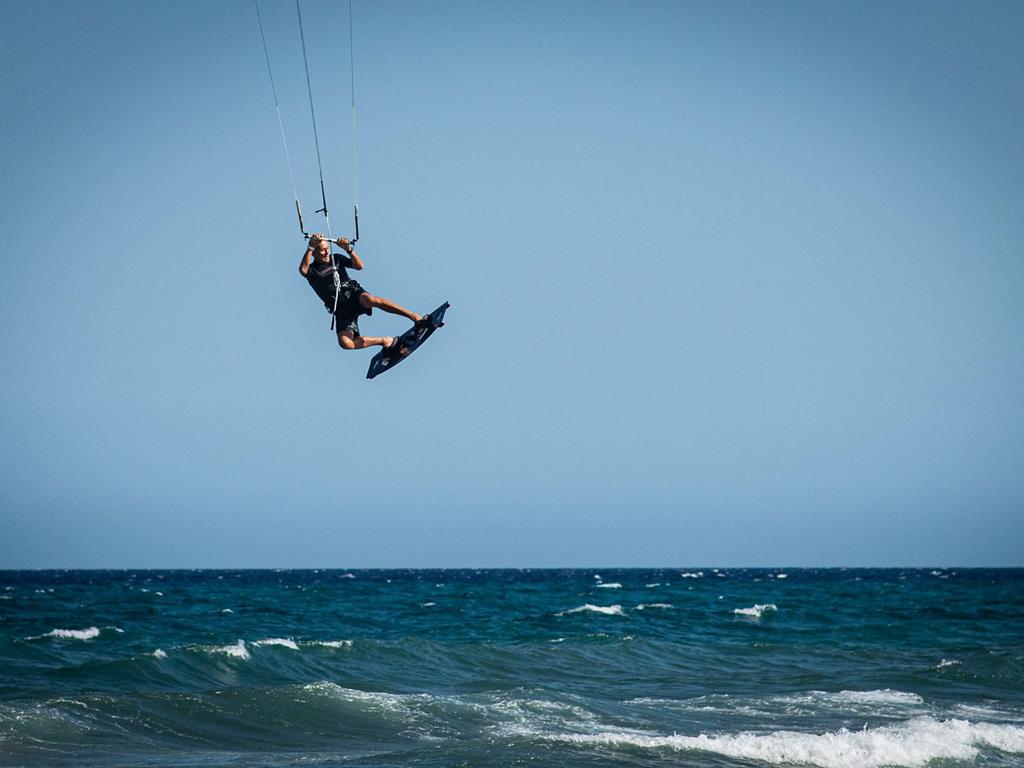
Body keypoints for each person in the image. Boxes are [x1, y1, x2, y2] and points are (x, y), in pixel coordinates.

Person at [299, 233, 421, 353]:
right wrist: (310, 247)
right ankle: (384, 341)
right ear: (314, 252)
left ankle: (414, 316)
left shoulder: (336, 258)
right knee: (345, 343)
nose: (326, 253)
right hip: (341, 309)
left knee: (371, 300)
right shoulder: (312, 270)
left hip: (353, 294)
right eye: (322, 250)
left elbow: (359, 266)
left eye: (327, 249)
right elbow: (303, 270)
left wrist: (348, 249)